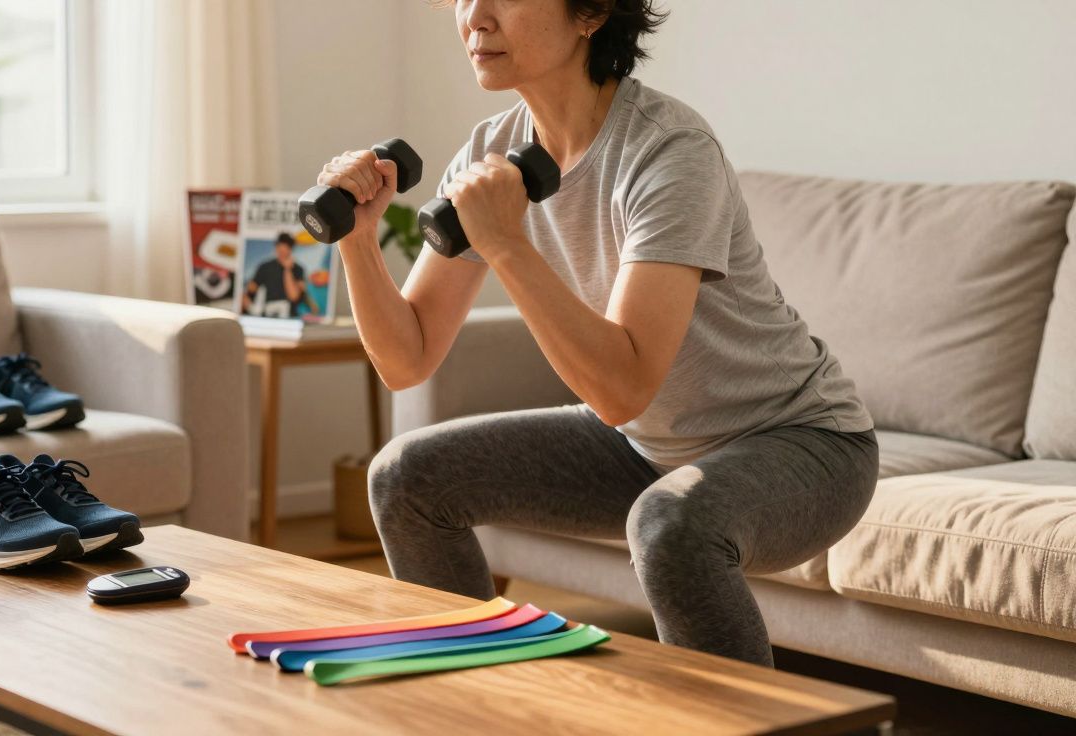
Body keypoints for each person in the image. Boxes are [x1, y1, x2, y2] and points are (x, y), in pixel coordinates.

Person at [320, 0, 878, 669]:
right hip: (644, 446)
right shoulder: (490, 152)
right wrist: (358, 243)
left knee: (672, 524)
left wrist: (505, 244)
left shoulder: (670, 151)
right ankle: (480, 709)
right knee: (407, 479)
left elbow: (624, 388)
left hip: (800, 443)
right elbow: (406, 359)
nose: (475, 16)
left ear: (590, 13)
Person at [241, 232, 320, 318]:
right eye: (280, 247)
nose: (282, 251)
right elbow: (252, 288)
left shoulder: (298, 269)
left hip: (289, 316)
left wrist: (287, 269)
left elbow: (294, 296)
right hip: (266, 315)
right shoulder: (265, 267)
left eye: (286, 247)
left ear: (290, 249)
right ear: (276, 247)